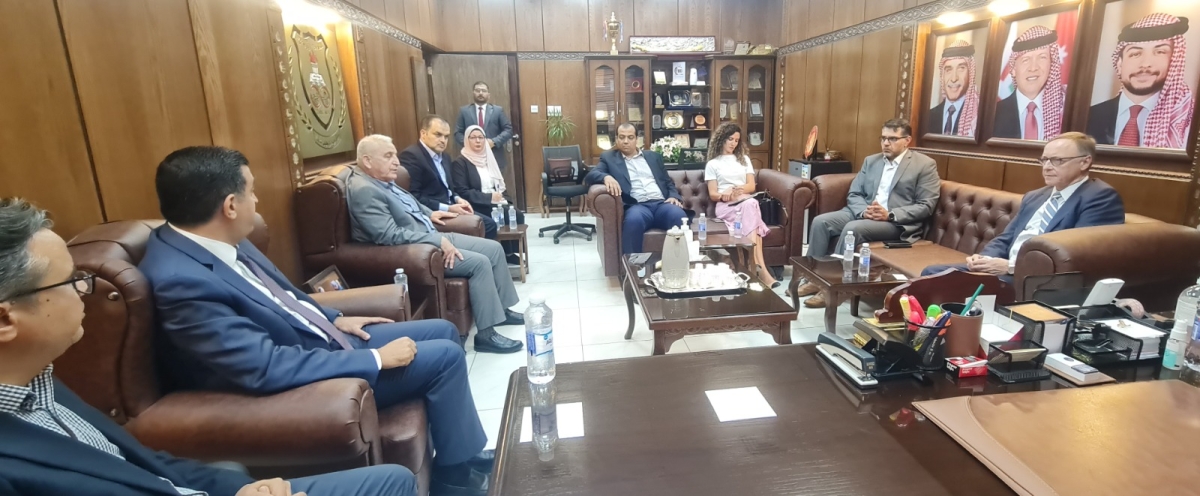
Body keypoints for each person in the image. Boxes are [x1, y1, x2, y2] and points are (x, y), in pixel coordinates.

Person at [138, 147, 494, 496]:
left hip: (320, 339)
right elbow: (263, 366)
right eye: (252, 191)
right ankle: (454, 478)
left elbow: (286, 295)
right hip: (304, 375)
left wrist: (334, 318)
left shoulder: (216, 239)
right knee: (445, 357)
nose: (257, 201)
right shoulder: (181, 281)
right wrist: (375, 359)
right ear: (230, 206)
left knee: (442, 329)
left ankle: (461, 451)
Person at [0, 198, 416, 496]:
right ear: (6, 319)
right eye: (72, 281)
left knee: (392, 479)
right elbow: (260, 365)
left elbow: (148, 465)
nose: (84, 292)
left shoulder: (38, 380)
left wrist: (240, 489)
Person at [347, 134, 525, 355]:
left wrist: (434, 212)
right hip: (419, 249)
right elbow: (389, 235)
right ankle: (486, 335)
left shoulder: (383, 181)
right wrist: (437, 241)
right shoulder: (364, 190)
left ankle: (501, 311)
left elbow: (411, 204)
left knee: (494, 248)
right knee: (479, 263)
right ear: (367, 161)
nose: (396, 162)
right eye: (388, 156)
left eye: (395, 155)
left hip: (430, 235)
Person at [921, 132, 1125, 282]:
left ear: (1085, 162)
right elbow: (1007, 237)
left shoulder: (1099, 198)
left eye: (1057, 160)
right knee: (931, 273)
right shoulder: (1036, 196)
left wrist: (1010, 267)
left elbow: (1078, 258)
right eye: (1044, 160)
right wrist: (984, 258)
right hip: (1003, 269)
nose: (1047, 167)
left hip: (1036, 281)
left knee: (940, 283)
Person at [795, 118, 940, 308]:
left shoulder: (924, 165)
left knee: (853, 229)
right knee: (821, 222)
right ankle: (813, 278)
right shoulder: (871, 161)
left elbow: (926, 205)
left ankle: (835, 285)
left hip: (895, 223)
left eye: (892, 139)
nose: (886, 143)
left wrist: (889, 214)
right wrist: (864, 211)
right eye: (883, 138)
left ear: (907, 140)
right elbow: (854, 193)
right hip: (864, 213)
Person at [1087, 13, 1193, 149]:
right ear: (1119, 64)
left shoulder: (1188, 118)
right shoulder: (1089, 116)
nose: (1145, 64)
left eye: (1160, 52)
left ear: (1174, 61)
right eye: (1135, 54)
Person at [585, 123, 686, 254]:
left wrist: (673, 196)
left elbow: (667, 182)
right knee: (634, 220)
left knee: (678, 215)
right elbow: (591, 175)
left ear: (637, 139)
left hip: (661, 204)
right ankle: (633, 264)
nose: (625, 141)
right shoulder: (609, 158)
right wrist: (606, 177)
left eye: (630, 137)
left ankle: (679, 261)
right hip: (637, 206)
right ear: (616, 139)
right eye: (621, 137)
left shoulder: (654, 157)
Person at [703, 122, 779, 288]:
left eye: (736, 140)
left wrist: (738, 189)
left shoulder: (744, 160)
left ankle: (754, 268)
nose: (733, 143)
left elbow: (751, 186)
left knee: (750, 203)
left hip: (745, 201)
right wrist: (725, 194)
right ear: (721, 139)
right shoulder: (713, 164)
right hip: (726, 206)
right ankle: (760, 271)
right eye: (730, 139)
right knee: (752, 206)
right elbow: (713, 194)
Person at [400, 116, 487, 237]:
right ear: (423, 134)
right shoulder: (412, 156)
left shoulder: (445, 157)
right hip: (433, 212)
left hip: (451, 205)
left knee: (489, 222)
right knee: (486, 224)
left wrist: (458, 199)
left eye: (446, 137)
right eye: (438, 135)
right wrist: (448, 208)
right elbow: (413, 197)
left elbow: (449, 188)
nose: (443, 140)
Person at [451, 125, 525, 265]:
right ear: (466, 140)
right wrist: (489, 198)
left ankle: (509, 252)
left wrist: (505, 199)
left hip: (495, 201)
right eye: (473, 138)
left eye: (481, 137)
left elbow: (499, 185)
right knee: (505, 215)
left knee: (517, 214)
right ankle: (498, 253)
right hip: (476, 203)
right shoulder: (460, 163)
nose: (478, 141)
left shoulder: (488, 159)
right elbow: (462, 191)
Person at [993, 26, 1066, 141]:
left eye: (1042, 57)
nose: (1033, 68)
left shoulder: (1066, 110)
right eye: (1026, 60)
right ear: (1013, 69)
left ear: (1051, 65)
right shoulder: (992, 115)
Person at [454, 81, 514, 170]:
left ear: (488, 95)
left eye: (484, 91)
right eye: (477, 90)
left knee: (495, 179)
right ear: (473, 93)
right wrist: (470, 144)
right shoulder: (464, 111)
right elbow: (458, 132)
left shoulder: (498, 110)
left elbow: (508, 130)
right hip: (472, 157)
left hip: (495, 156)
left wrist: (494, 142)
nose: (481, 93)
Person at [927, 40, 980, 136]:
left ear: (970, 73)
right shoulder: (928, 117)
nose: (954, 78)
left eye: (961, 68)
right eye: (948, 70)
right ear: (942, 75)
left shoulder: (979, 116)